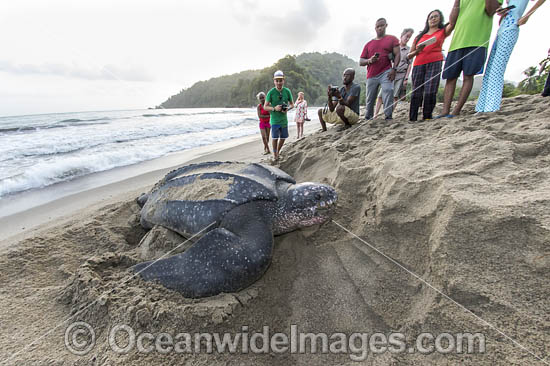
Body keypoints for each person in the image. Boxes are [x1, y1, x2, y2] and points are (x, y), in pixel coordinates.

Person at [439, 0, 506, 118]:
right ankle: (445, 111)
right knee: (450, 77)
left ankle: (456, 111)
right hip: (457, 42)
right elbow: (452, 21)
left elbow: (490, 11)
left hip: (477, 42)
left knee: (468, 76)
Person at [476, 0, 546, 112]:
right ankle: (481, 107)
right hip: (502, 28)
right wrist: (502, 11)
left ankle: (491, 108)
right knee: (489, 70)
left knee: (497, 69)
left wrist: (527, 16)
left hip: (512, 28)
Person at [407, 7, 457, 121]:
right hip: (419, 63)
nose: (433, 19)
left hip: (435, 62)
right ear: (427, 20)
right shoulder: (419, 36)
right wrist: (418, 51)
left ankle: (427, 116)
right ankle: (413, 117)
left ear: (440, 19)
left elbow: (452, 24)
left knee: (431, 89)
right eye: (431, 17)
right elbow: (409, 56)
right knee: (416, 90)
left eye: (436, 16)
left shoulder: (442, 31)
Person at [359, 18, 401, 120]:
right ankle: (368, 117)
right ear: (375, 28)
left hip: (386, 71)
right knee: (370, 98)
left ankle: (388, 116)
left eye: (382, 26)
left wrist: (394, 69)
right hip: (371, 74)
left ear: (386, 25)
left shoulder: (392, 39)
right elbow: (361, 61)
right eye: (378, 26)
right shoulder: (368, 44)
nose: (380, 28)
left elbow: (398, 54)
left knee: (388, 90)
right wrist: (370, 60)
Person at [374, 28, 415, 116]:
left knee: (395, 96)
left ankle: (388, 114)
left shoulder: (409, 50)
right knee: (381, 94)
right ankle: (375, 114)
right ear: (401, 36)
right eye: (406, 36)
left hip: (401, 74)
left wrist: (406, 78)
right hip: (390, 73)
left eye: (409, 37)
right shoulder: (394, 47)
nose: (407, 39)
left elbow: (409, 65)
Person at [264, 70, 294, 161]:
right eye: (277, 81)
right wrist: (274, 108)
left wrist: (287, 109)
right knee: (275, 138)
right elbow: (265, 107)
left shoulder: (287, 91)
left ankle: (277, 151)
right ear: (274, 81)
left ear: (283, 80)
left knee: (283, 137)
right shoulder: (271, 92)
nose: (279, 82)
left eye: (280, 80)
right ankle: (275, 154)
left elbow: (292, 104)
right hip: (274, 120)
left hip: (284, 120)